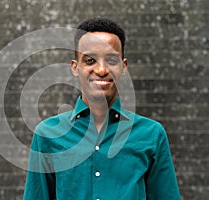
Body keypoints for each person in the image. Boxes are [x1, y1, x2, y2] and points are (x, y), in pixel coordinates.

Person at [23, 17, 181, 200]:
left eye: (112, 60)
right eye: (90, 60)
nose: (101, 70)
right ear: (75, 67)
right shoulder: (47, 135)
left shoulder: (152, 135)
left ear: (124, 66)